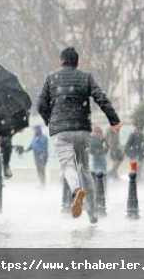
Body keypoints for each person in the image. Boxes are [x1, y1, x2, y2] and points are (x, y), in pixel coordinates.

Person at [38, 47, 122, 224]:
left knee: (68, 165)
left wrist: (50, 120)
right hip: (82, 130)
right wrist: (114, 120)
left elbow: (40, 105)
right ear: (77, 62)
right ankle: (92, 213)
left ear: (61, 61)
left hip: (61, 131)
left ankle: (76, 191)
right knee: (84, 168)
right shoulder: (86, 77)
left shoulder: (51, 78)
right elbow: (101, 98)